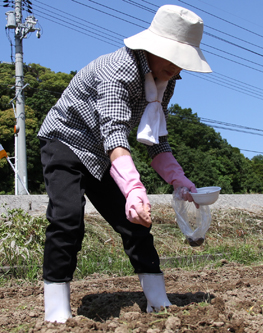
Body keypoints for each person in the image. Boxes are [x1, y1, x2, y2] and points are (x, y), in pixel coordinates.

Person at [37, 5, 211, 323]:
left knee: (136, 223)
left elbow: (155, 139)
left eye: (182, 61)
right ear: (153, 47)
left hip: (104, 153)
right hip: (65, 141)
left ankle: (158, 299)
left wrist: (179, 180)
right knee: (67, 220)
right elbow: (115, 132)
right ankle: (56, 311)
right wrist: (133, 187)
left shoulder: (164, 81)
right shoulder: (118, 70)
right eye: (173, 57)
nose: (177, 68)